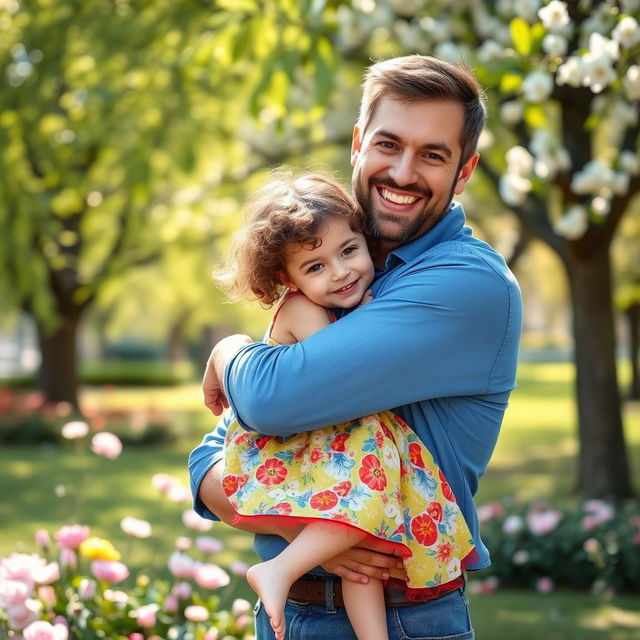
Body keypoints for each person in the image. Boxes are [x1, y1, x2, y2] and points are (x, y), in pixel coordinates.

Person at [189, 55, 523, 640]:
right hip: (288, 612)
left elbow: (270, 403)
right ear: (357, 145)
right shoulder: (342, 271)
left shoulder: (463, 285)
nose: (402, 171)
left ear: (464, 171)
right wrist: (315, 531)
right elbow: (211, 461)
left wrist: (229, 350)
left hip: (405, 617)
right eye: (388, 144)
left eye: (433, 155)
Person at [215, 171, 475, 640]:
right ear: (286, 278)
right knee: (361, 506)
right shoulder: (301, 310)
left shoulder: (343, 302)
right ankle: (278, 570)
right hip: (309, 444)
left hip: (338, 442)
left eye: (349, 251)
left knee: (365, 549)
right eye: (314, 266)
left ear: (365, 242)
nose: (339, 272)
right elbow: (330, 374)